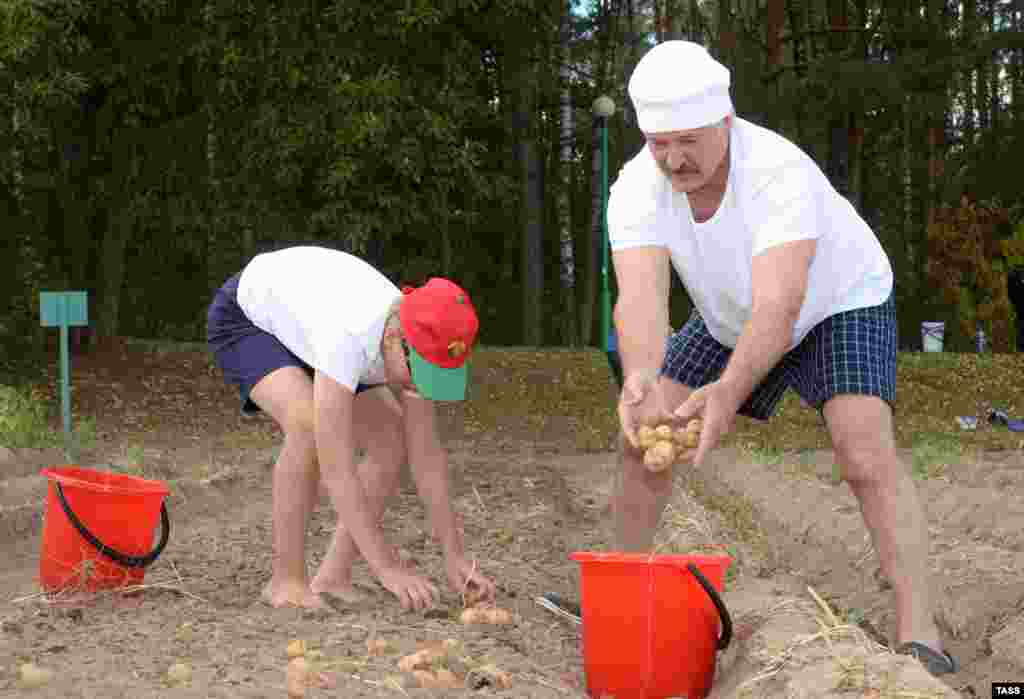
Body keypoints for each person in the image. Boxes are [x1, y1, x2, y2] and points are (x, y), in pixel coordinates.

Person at [602, 40, 955, 676]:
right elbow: (641, 299)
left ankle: (919, 631)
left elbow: (781, 307)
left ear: (725, 122)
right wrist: (640, 375)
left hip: (835, 303)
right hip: (728, 316)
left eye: (688, 140)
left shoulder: (776, 171)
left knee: (863, 450)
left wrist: (729, 391)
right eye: (659, 143)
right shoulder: (635, 188)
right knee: (643, 433)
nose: (673, 159)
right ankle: (615, 597)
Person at [206, 245, 496, 611]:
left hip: (312, 322)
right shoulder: (348, 337)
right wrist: (386, 567)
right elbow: (337, 468)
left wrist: (455, 557)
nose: (421, 387)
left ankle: (333, 577)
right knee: (308, 426)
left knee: (390, 438)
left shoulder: (415, 338)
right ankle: (286, 582)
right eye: (420, 375)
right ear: (395, 341)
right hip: (249, 321)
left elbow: (427, 456)